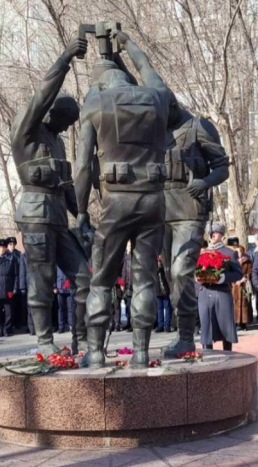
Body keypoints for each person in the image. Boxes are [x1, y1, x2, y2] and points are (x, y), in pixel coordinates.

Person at [74, 31, 172, 368]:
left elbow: (83, 167)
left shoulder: (95, 103)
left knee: (102, 276)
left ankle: (96, 352)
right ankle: (142, 352)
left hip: (116, 202)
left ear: (101, 83)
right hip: (152, 200)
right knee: (145, 277)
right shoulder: (157, 100)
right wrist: (128, 45)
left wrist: (80, 211)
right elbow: (148, 70)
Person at [10, 35, 90, 357]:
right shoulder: (27, 132)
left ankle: (81, 340)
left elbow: (67, 185)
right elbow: (43, 93)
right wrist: (66, 58)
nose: (70, 128)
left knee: (84, 280)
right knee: (41, 281)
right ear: (53, 113)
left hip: (57, 217)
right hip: (35, 214)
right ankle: (44, 341)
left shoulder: (56, 142)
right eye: (68, 121)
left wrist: (81, 214)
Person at [160, 97, 230, 357]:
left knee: (181, 271)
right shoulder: (158, 130)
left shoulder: (199, 126)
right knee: (169, 275)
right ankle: (183, 335)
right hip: (161, 210)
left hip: (190, 208)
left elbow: (222, 167)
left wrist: (205, 181)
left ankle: (187, 336)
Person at [197, 224, 242, 350]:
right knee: (206, 326)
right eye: (211, 232)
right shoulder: (202, 252)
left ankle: (228, 354)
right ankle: (208, 354)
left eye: (216, 232)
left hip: (222, 292)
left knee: (225, 325)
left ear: (222, 235)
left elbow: (238, 273)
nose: (213, 235)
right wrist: (197, 278)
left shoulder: (229, 253)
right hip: (205, 292)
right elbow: (194, 271)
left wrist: (223, 278)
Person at [0, 238, 18, 337]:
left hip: (8, 287)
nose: (1, 249)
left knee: (9, 311)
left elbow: (16, 275)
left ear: (6, 248)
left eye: (3, 247)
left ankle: (7, 329)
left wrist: (15, 288)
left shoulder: (11, 258)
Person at [232, 244, 253, 331]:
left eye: (240, 251)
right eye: (236, 252)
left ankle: (244, 323)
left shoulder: (247, 261)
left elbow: (250, 272)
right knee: (235, 303)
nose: (238, 253)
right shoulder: (232, 261)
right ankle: (236, 322)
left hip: (244, 285)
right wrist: (236, 281)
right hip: (234, 286)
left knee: (245, 304)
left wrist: (245, 278)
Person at [56, 267, 76, 334]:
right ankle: (61, 326)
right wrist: (54, 287)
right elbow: (53, 276)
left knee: (70, 309)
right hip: (59, 289)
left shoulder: (68, 264)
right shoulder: (57, 266)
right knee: (60, 309)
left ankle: (70, 325)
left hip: (69, 290)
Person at [155, 256, 171, 333]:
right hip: (158, 288)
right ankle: (160, 325)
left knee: (167, 307)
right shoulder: (154, 265)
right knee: (159, 308)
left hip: (165, 288)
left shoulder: (165, 264)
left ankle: (167, 325)